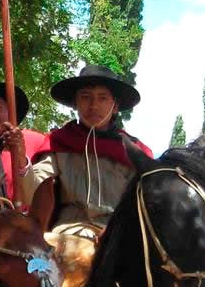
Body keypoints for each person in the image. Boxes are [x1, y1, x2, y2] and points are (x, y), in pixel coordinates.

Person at [19, 64, 152, 233]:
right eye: (86, 97)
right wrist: (20, 158)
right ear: (76, 103)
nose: (94, 106)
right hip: (69, 232)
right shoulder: (58, 143)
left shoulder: (134, 152)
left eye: (103, 98)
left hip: (117, 234)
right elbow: (32, 194)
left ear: (115, 106)